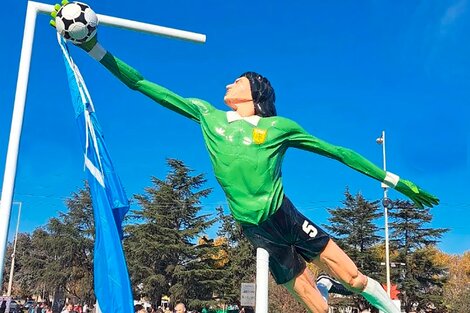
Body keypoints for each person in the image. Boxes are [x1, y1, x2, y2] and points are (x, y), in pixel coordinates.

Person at [50, 4, 438, 313]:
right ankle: (324, 287)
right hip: (253, 230)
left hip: (283, 217)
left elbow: (337, 152)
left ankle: (389, 307)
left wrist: (395, 180)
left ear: (254, 91)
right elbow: (141, 84)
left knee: (352, 280)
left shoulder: (278, 127)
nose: (226, 84)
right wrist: (94, 49)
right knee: (317, 308)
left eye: (235, 81)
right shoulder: (206, 114)